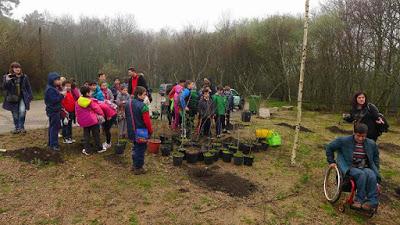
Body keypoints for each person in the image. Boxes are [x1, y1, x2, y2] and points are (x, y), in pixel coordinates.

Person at [325, 123, 381, 211]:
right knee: (361, 174)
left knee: (371, 175)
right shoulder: (343, 141)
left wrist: (376, 169)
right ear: (354, 133)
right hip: (349, 165)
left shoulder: (371, 143)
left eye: (363, 136)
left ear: (366, 135)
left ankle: (372, 202)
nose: (361, 138)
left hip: (363, 166)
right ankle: (359, 200)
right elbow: (329, 147)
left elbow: (375, 157)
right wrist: (331, 161)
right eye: (358, 136)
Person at [125, 86, 153, 175]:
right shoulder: (143, 107)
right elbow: (147, 122)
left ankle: (134, 165)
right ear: (138, 95)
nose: (146, 96)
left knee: (135, 147)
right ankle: (138, 168)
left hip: (131, 129)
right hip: (141, 131)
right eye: (144, 95)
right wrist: (150, 131)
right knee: (141, 149)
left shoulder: (128, 103)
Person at [2, 62, 33, 134]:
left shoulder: (24, 76)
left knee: (22, 111)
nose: (17, 69)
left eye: (18, 67)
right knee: (15, 114)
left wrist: (30, 96)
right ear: (12, 68)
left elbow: (28, 87)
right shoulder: (7, 77)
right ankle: (17, 128)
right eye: (15, 67)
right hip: (12, 98)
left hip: (22, 97)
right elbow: (4, 87)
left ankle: (21, 127)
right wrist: (7, 80)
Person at [75, 86, 107, 155]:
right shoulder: (90, 101)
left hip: (84, 122)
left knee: (86, 135)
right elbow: (96, 108)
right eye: (90, 92)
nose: (91, 92)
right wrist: (102, 114)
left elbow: (77, 111)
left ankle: (87, 150)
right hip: (92, 120)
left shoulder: (78, 101)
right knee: (96, 134)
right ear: (87, 93)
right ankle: (99, 148)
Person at [44, 72, 65, 151]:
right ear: (52, 80)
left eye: (59, 80)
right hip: (54, 111)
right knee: (55, 128)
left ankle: (51, 143)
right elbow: (54, 100)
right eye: (57, 80)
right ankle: (54, 145)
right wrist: (62, 95)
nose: (59, 81)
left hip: (54, 110)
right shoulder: (50, 89)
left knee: (52, 126)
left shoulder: (52, 88)